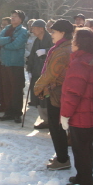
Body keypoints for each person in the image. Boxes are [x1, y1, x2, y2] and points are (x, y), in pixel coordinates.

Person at [60, 28, 93, 185]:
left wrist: (65, 114)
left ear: (79, 43)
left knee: (81, 149)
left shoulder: (79, 63)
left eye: (74, 40)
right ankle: (83, 176)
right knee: (85, 148)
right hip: (90, 111)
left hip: (80, 114)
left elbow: (73, 93)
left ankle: (85, 180)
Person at [34, 19, 74, 170]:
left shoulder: (62, 51)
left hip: (57, 93)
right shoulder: (63, 47)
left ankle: (63, 159)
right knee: (58, 126)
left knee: (56, 127)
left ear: (62, 33)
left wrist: (38, 88)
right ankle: (61, 156)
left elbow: (50, 74)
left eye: (54, 31)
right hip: (59, 90)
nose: (51, 34)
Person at [0, 10, 28, 123]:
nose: (12, 18)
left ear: (21, 19)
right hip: (5, 62)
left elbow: (17, 45)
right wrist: (9, 39)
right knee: (7, 88)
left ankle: (17, 113)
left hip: (16, 63)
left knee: (16, 89)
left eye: (15, 16)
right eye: (12, 16)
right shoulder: (6, 29)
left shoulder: (23, 31)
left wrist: (5, 45)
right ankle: (8, 111)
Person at [27, 19, 53, 129]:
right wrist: (29, 69)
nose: (32, 30)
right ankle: (45, 119)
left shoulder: (50, 39)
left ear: (41, 29)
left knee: (46, 97)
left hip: (47, 73)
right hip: (36, 72)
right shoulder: (37, 41)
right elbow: (32, 55)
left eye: (34, 28)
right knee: (38, 96)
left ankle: (50, 120)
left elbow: (55, 51)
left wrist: (46, 51)